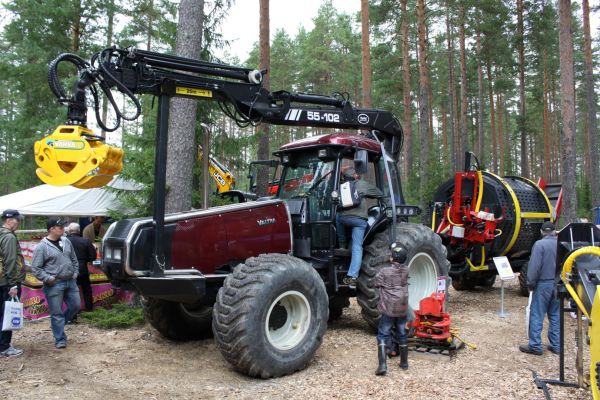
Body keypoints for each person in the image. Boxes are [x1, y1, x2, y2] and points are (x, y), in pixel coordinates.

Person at [31, 218, 81, 349]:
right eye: (59, 227)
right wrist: (48, 278)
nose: (62, 229)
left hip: (70, 281)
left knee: (76, 306)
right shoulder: (42, 246)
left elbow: (74, 259)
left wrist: (75, 273)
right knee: (56, 312)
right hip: (54, 284)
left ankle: (57, 324)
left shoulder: (66, 241)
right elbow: (35, 268)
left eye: (62, 226)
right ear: (51, 229)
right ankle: (60, 338)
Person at [336, 167, 382, 288]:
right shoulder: (361, 184)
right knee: (357, 246)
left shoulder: (340, 185)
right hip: (359, 221)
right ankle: (352, 276)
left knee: (337, 217)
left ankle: (341, 244)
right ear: (355, 175)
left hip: (344, 219)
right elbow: (378, 193)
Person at [519, 221, 560, 356]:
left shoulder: (539, 244)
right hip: (558, 284)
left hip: (543, 284)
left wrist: (530, 283)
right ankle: (556, 345)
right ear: (554, 231)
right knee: (555, 315)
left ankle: (535, 345)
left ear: (542, 232)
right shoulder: (561, 244)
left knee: (537, 314)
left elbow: (534, 266)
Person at [374, 244, 410, 375]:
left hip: (389, 308)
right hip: (402, 308)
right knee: (401, 332)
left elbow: (376, 283)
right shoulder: (406, 270)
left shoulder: (384, 271)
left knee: (383, 333)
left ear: (392, 258)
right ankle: (404, 363)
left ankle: (382, 365)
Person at [0, 209, 26, 357]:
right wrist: (13, 284)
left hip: (1, 280)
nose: (18, 223)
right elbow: (11, 261)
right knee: (7, 314)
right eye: (17, 220)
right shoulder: (9, 237)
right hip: (7, 282)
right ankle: (4, 347)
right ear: (9, 220)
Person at [66, 222, 96, 312]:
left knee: (71, 292)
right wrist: (84, 260)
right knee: (86, 290)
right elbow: (93, 256)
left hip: (69, 269)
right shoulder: (85, 241)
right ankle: (89, 311)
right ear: (79, 231)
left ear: (69, 231)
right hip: (82, 269)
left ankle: (73, 315)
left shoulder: (64, 241)